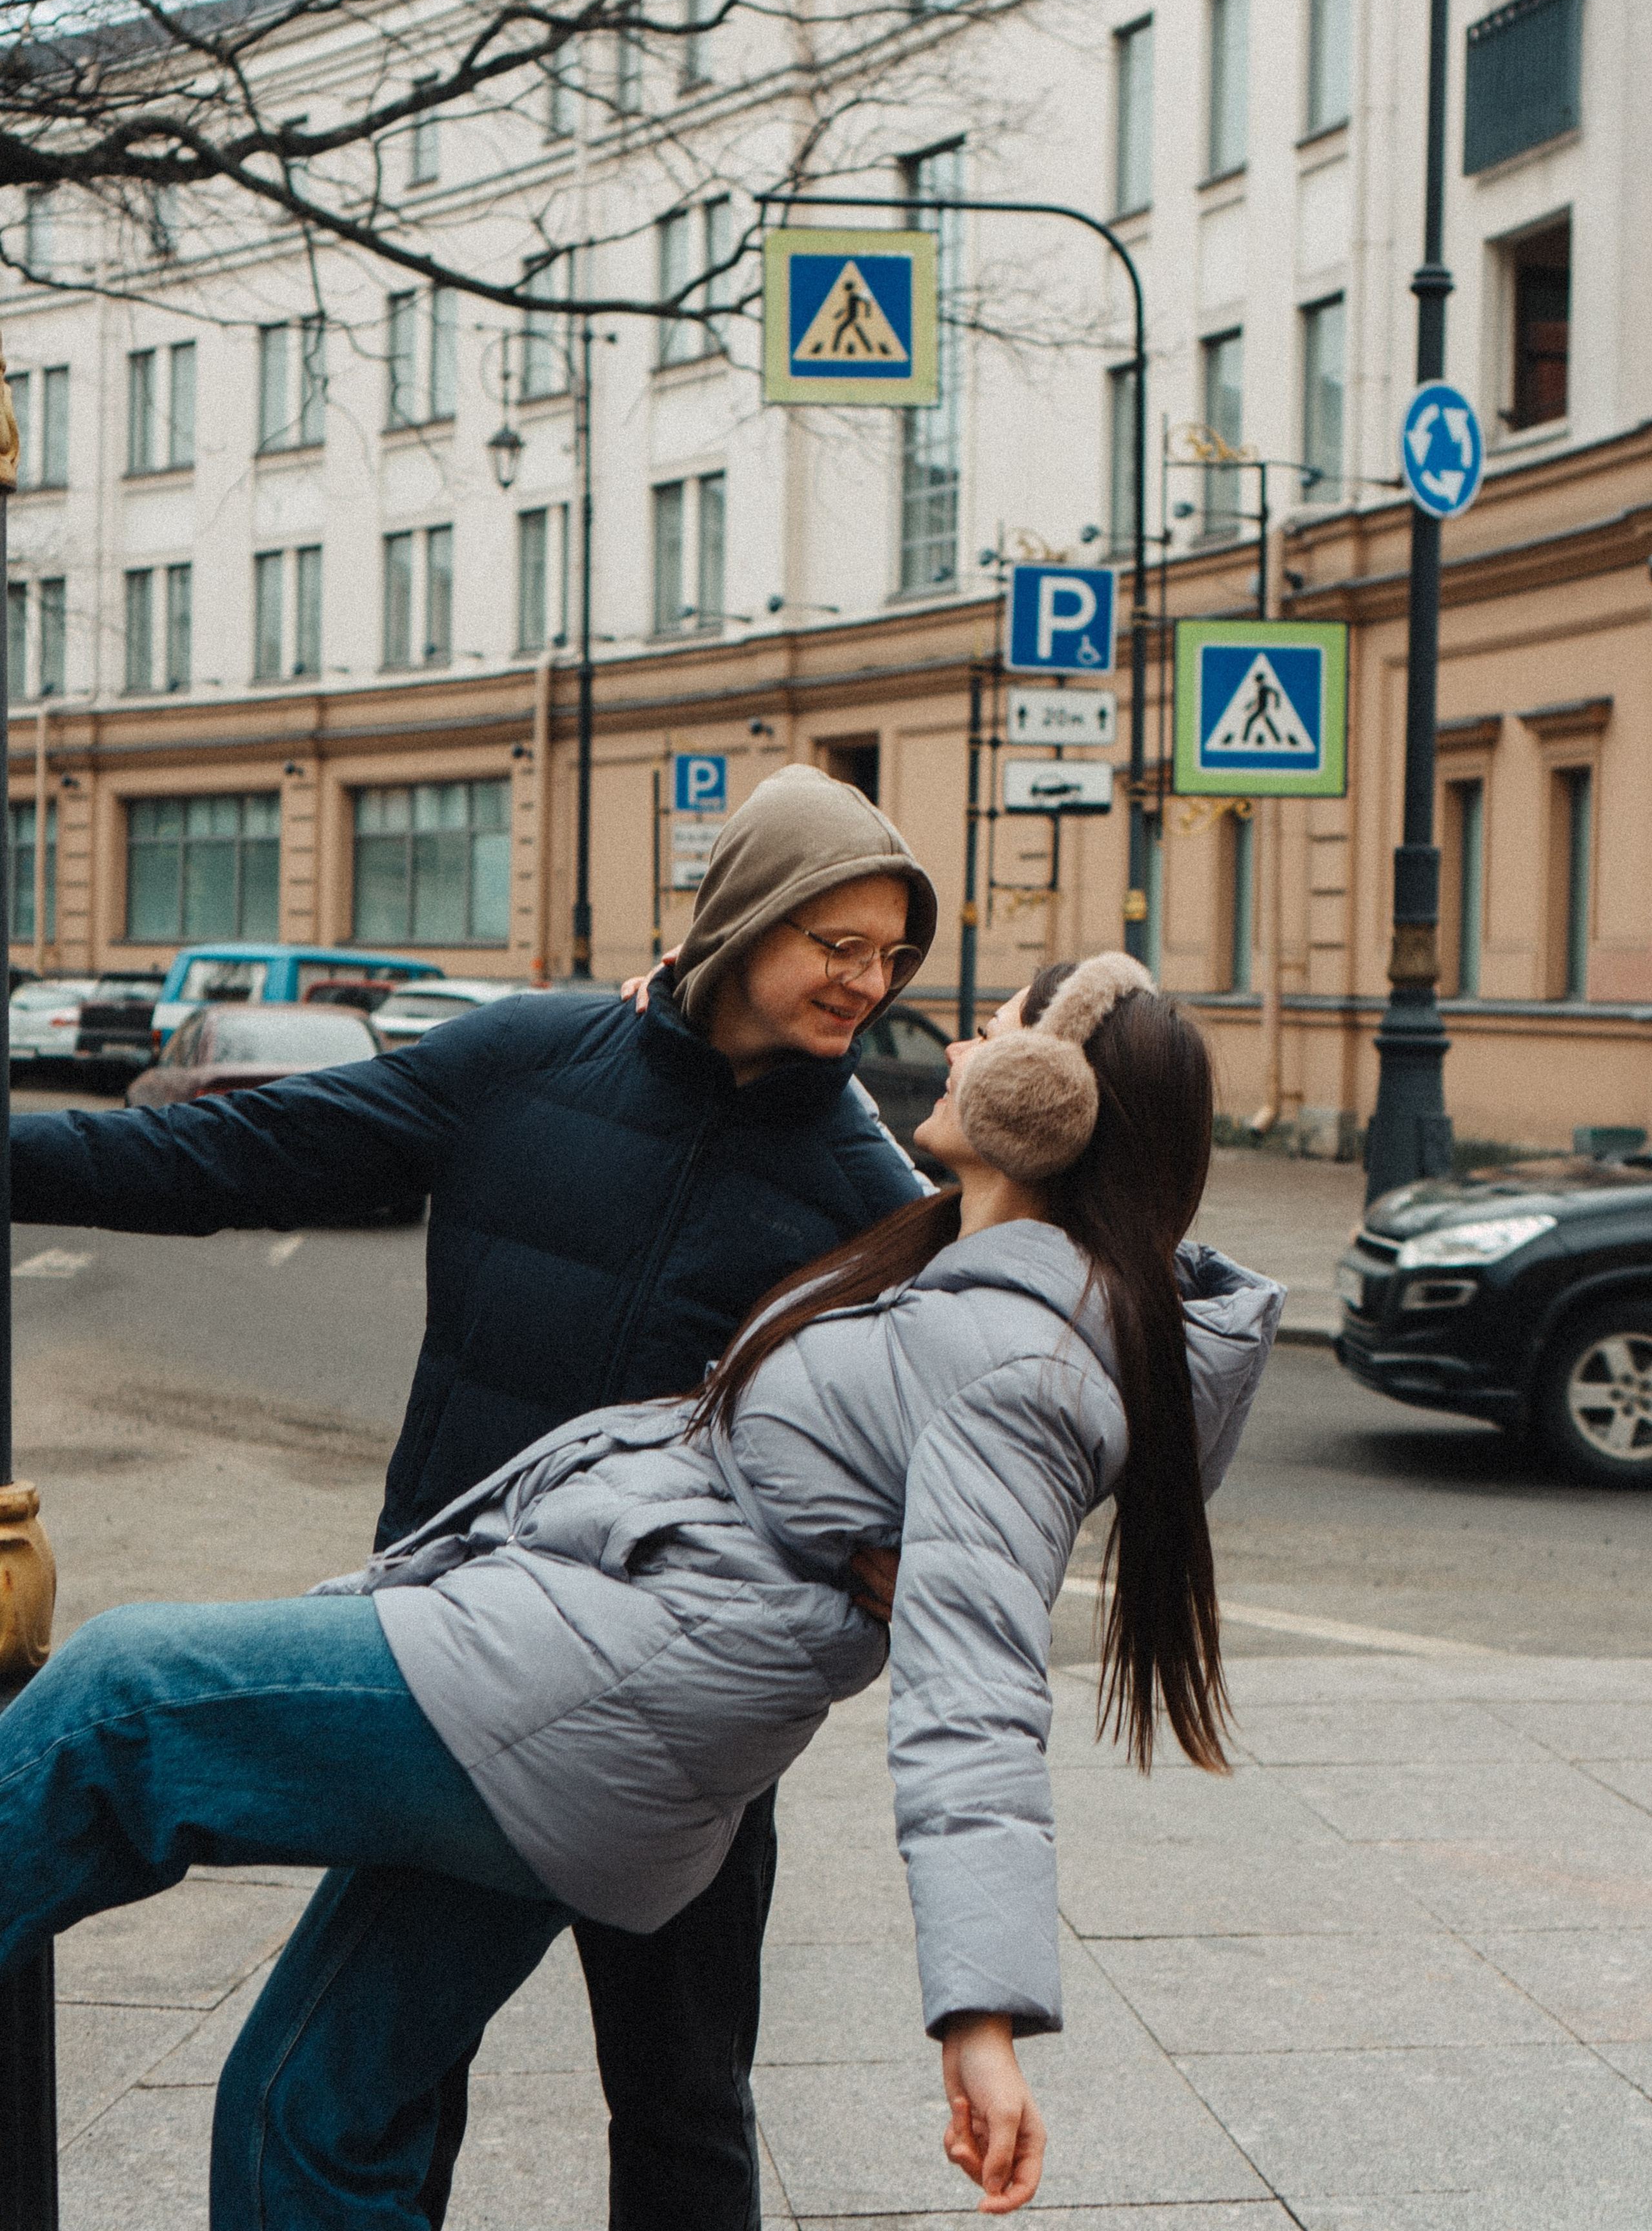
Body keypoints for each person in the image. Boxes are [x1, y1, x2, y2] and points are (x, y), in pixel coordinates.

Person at [0, 951, 1282, 2225]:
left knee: (125, 1701)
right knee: (310, 2101)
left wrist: (981, 2016)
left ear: (1046, 1104)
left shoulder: (1019, 1367)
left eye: (988, 1034)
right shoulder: (965, 1271)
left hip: (583, 1694)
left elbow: (977, 1696)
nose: (949, 1046)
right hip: (593, 1715)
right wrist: (696, 989)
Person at [7, 762, 938, 2231]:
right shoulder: (526, 1058)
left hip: (661, 1708)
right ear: (745, 917)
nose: (868, 983)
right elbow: (230, 1154)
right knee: (378, 2083)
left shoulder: (866, 1201)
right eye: (839, 943)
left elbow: (966, 1436)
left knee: (682, 2095)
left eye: (891, 957)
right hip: (454, 1652)